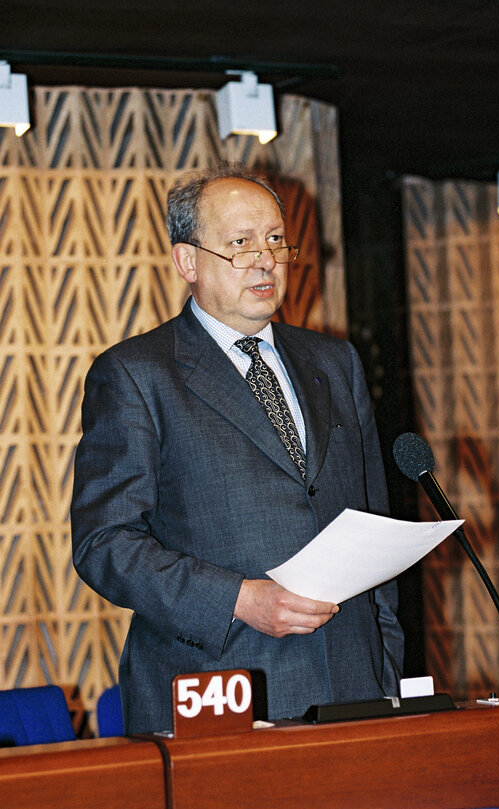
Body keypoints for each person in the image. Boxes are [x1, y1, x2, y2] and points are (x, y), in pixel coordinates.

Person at [71, 163, 403, 734]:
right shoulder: (135, 374)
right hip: (219, 690)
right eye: (240, 243)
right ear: (187, 262)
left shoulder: (335, 363)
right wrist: (240, 599)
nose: (265, 258)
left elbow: (373, 527)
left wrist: (388, 672)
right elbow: (105, 544)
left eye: (275, 240)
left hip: (355, 692)